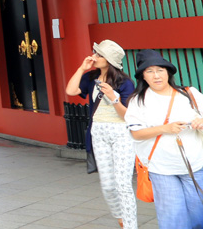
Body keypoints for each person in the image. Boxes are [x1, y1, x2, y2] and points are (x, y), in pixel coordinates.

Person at [125, 49, 203, 229]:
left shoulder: (189, 94)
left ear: (168, 72)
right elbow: (136, 133)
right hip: (161, 168)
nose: (156, 75)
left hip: (195, 165)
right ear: (143, 76)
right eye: (149, 71)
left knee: (199, 215)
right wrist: (165, 128)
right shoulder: (138, 101)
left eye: (160, 70)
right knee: (173, 219)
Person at [64, 40, 136, 229]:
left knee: (123, 186)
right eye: (95, 53)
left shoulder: (125, 82)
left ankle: (130, 226)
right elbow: (70, 91)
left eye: (99, 55)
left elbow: (127, 115)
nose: (94, 57)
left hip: (121, 133)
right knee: (108, 186)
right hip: (98, 132)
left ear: (109, 60)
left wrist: (113, 98)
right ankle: (121, 218)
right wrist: (81, 68)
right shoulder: (91, 78)